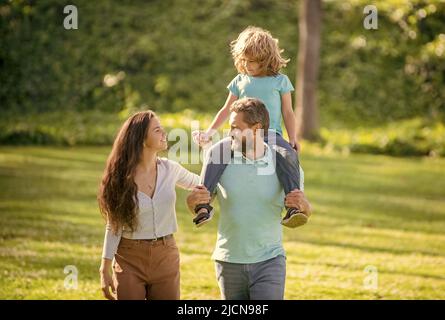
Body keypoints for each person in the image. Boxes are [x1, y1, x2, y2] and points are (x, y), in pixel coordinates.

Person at [186, 98, 312, 299]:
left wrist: (304, 206)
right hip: (228, 260)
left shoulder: (285, 162)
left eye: (236, 127)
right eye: (230, 127)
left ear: (256, 129)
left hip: (270, 260)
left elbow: (305, 210)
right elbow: (201, 199)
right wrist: (193, 203)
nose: (230, 133)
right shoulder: (220, 158)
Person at [192, 26, 306, 228]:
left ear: (266, 59)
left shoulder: (280, 81)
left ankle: (293, 206)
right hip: (240, 135)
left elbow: (288, 112)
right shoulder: (240, 81)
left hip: (270, 134)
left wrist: (293, 138)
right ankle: (203, 203)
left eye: (252, 61)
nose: (247, 65)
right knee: (216, 152)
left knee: (288, 155)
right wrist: (210, 132)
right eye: (244, 60)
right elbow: (226, 109)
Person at [97, 111, 200, 300]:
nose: (164, 133)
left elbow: (204, 183)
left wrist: (214, 152)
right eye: (157, 130)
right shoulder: (120, 177)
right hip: (129, 258)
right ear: (142, 139)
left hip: (166, 255)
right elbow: (114, 225)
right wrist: (105, 267)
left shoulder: (171, 169)